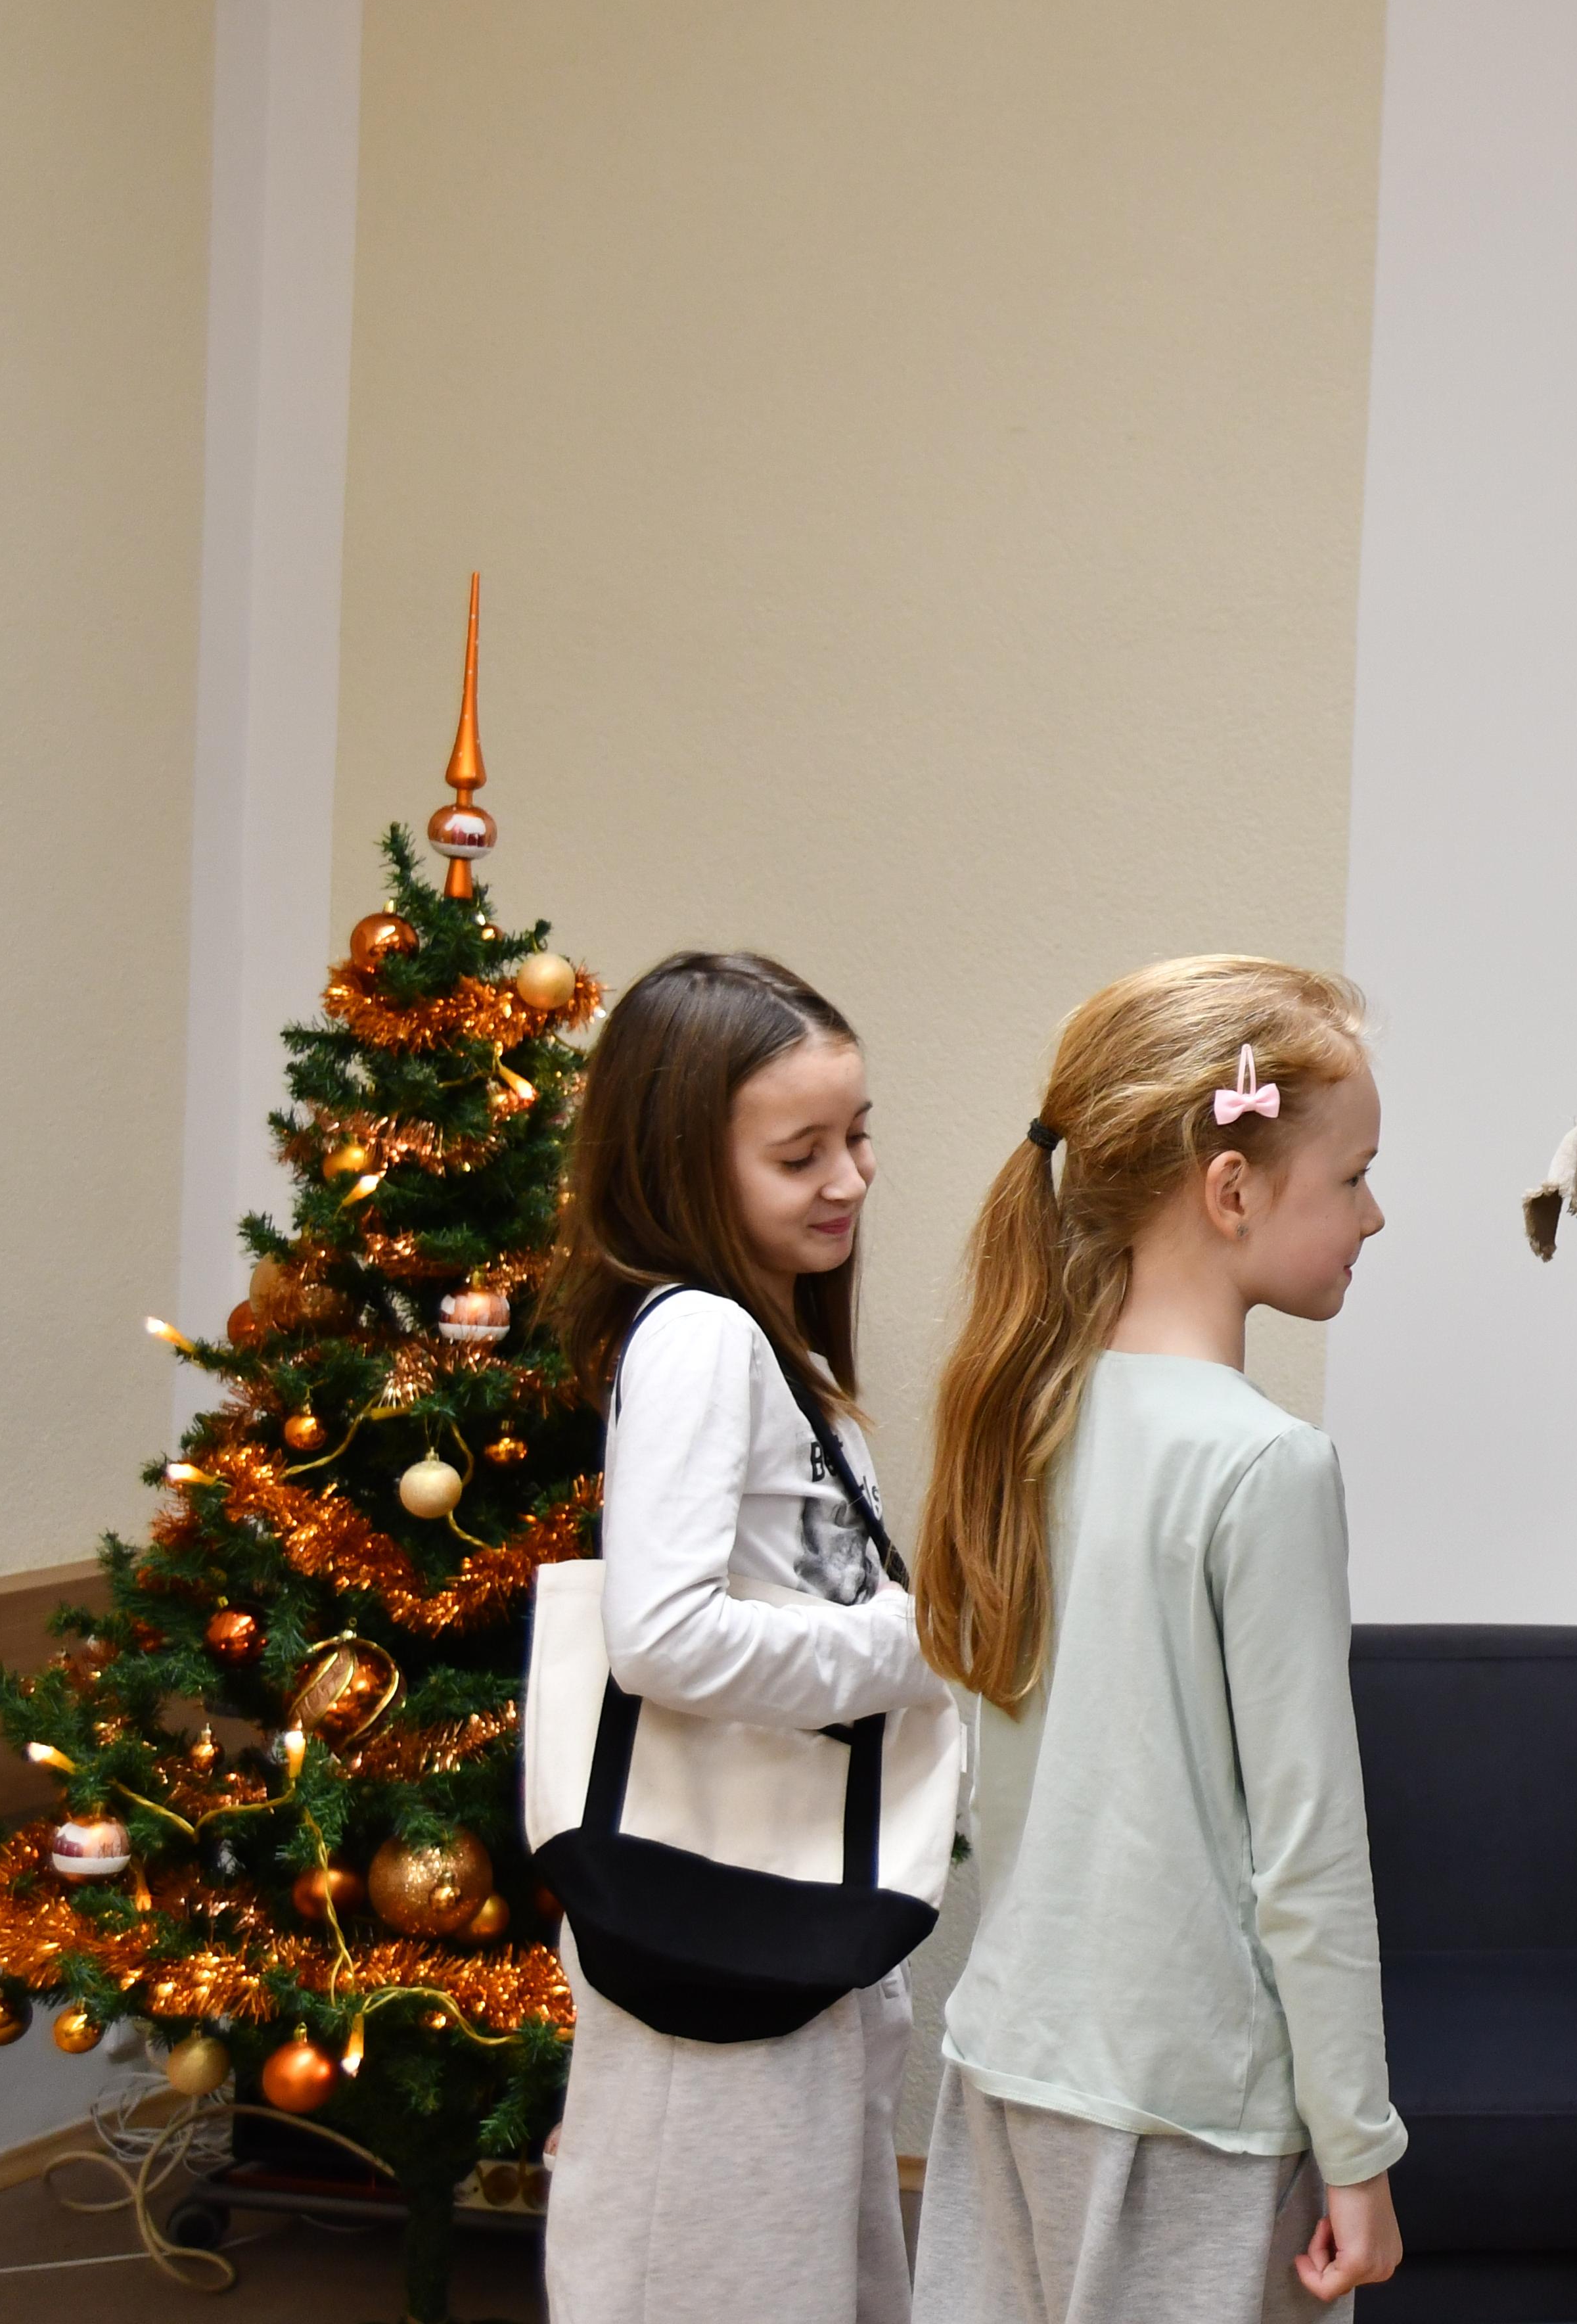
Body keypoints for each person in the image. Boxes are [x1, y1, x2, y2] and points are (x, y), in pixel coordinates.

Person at [909, 957, 1406, 2324]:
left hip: (1007, 2062)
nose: (1375, 1213)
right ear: (1232, 1188)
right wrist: (1358, 2149)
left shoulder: (1025, 1419)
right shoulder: (1268, 1466)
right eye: (1354, 1176)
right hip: (1192, 2112)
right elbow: (1308, 1851)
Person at [543, 952, 952, 2324]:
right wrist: (920, 1646)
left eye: (857, 1135)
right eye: (799, 1154)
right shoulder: (704, 1337)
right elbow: (661, 1638)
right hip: (728, 1915)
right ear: (681, 1166)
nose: (850, 1177)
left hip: (777, 1914)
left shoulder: (761, 1339)